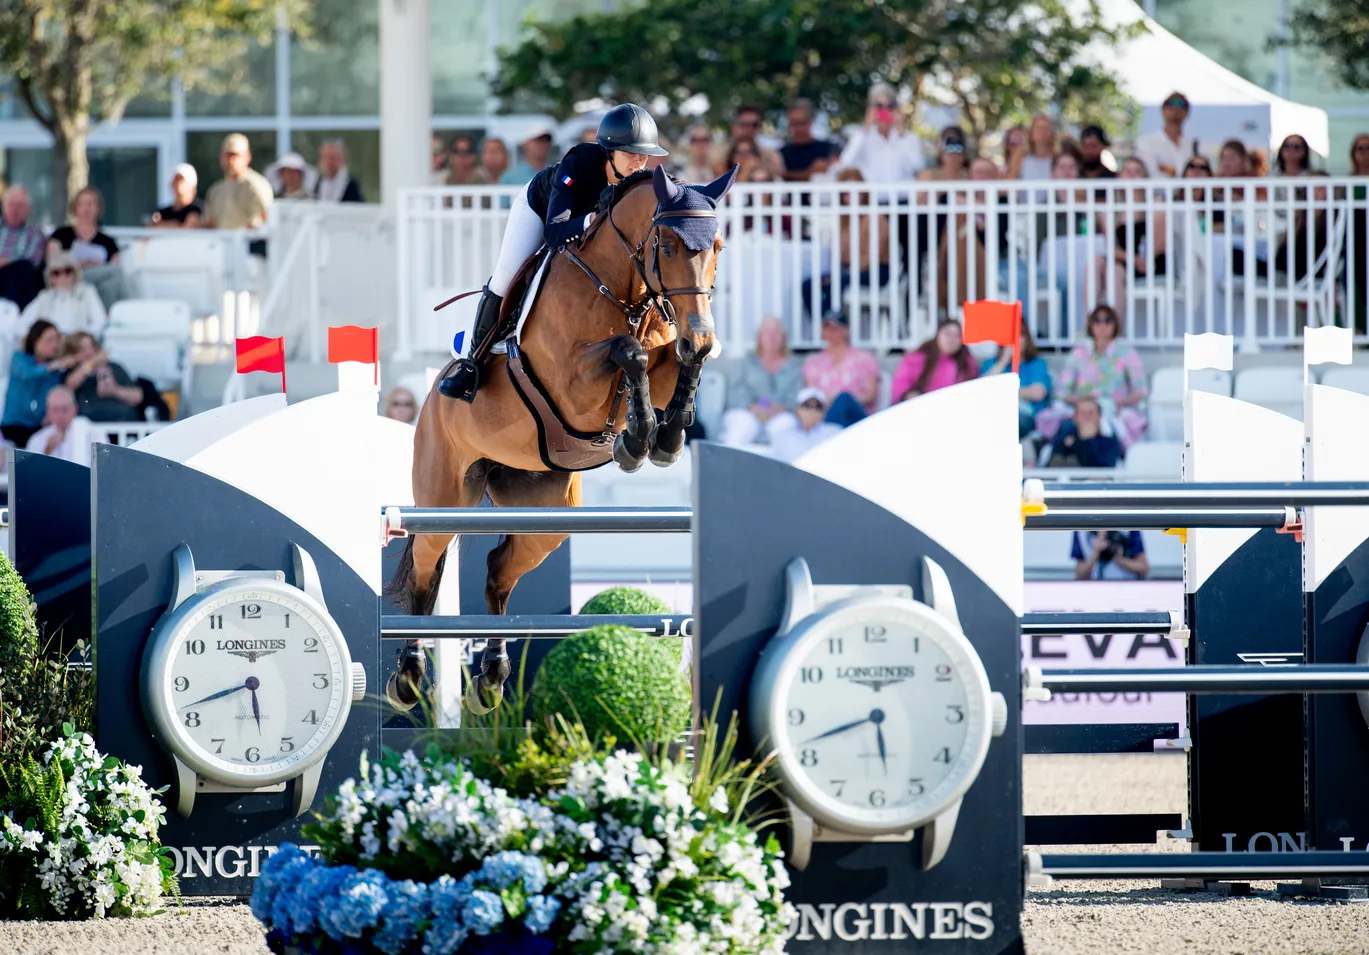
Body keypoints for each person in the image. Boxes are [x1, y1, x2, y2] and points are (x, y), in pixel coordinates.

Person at [437, 103, 671, 403]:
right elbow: (554, 233)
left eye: (644, 154)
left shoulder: (640, 182)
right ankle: (472, 360)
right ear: (609, 151)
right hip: (540, 210)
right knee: (506, 276)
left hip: (590, 234)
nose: (639, 162)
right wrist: (591, 220)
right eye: (631, 153)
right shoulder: (579, 165)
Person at [719, 317, 804, 446]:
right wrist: (752, 407)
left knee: (785, 426)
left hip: (781, 414)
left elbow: (798, 395)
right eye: (767, 332)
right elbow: (735, 392)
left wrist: (780, 408)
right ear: (759, 337)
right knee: (742, 424)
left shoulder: (795, 366)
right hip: (748, 412)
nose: (772, 336)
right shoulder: (747, 362)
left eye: (777, 332)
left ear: (784, 337)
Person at [2, 320, 79, 447]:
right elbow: (27, 374)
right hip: (15, 426)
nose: (54, 345)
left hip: (40, 426)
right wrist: (56, 364)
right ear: (36, 341)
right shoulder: (20, 358)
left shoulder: (55, 371)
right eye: (49, 340)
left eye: (56, 340)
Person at [19, 251, 108, 337]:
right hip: (50, 346)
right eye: (56, 273)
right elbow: (22, 324)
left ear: (75, 273)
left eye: (67, 271)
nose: (62, 277)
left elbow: (99, 321)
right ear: (50, 276)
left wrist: (81, 338)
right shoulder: (44, 296)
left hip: (76, 345)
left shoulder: (87, 292)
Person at [890, 319, 978, 402]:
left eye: (956, 336)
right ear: (938, 335)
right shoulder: (917, 358)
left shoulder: (967, 363)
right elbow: (901, 386)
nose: (951, 340)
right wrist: (910, 395)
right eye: (948, 334)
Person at [766, 387, 843, 463]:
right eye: (807, 405)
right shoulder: (783, 435)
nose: (812, 411)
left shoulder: (834, 433)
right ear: (798, 409)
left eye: (818, 406)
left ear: (824, 411)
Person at [25, 386, 91, 464]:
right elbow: (31, 471)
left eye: (65, 409)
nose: (60, 415)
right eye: (55, 410)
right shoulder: (37, 440)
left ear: (75, 409)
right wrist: (47, 451)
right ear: (48, 411)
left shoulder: (92, 435)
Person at [1072, 528, 1149, 580]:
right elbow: (1079, 575)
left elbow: (1144, 569)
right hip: (1094, 591)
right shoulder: (1081, 530)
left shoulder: (1128, 525)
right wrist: (1095, 553)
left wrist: (1120, 560)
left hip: (1125, 589)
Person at [149, 163, 203, 228]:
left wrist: (162, 225)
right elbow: (152, 229)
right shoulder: (163, 212)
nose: (177, 184)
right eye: (175, 180)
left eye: (181, 180)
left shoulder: (197, 210)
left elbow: (188, 229)